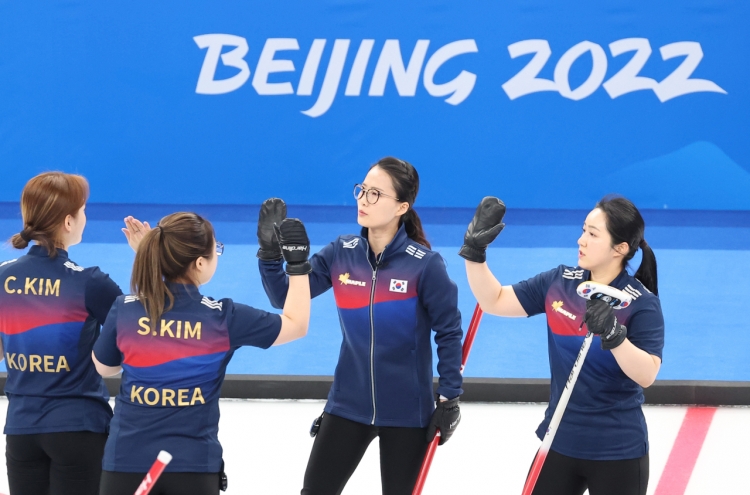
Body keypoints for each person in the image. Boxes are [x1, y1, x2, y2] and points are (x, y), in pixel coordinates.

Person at [257, 157, 464, 495]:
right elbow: (285, 298)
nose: (363, 200)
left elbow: (449, 331)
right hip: (347, 405)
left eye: (375, 194)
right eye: (362, 190)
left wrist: (450, 397)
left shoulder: (425, 266)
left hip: (408, 412)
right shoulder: (342, 252)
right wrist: (269, 256)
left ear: (402, 206)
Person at [92, 211, 312, 495]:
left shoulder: (125, 308)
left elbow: (104, 368)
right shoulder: (224, 318)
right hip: (193, 467)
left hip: (126, 463)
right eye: (215, 250)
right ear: (199, 263)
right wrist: (297, 265)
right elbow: (296, 324)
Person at [461, 195, 664, 495]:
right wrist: (475, 253)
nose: (581, 240)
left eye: (593, 235)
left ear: (620, 248)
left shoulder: (641, 303)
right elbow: (494, 300)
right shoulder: (560, 282)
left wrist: (614, 335)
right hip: (559, 439)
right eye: (584, 230)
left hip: (617, 450)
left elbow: (646, 374)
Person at [0, 172, 146, 495]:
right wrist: (147, 253)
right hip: (79, 430)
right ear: (68, 222)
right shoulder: (89, 283)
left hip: (21, 432)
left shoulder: (2, 277)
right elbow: (145, 330)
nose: (85, 217)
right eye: (82, 210)